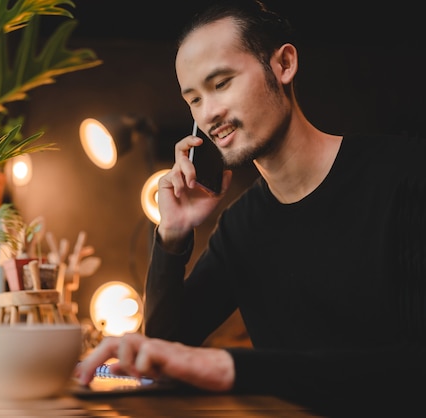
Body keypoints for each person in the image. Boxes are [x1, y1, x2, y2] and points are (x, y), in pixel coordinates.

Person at [74, 0, 426, 416]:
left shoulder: (405, 175)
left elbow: (410, 370)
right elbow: (167, 347)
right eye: (194, 99)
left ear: (284, 64)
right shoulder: (241, 227)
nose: (209, 113)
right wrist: (173, 235)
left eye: (221, 83)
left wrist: (232, 367)